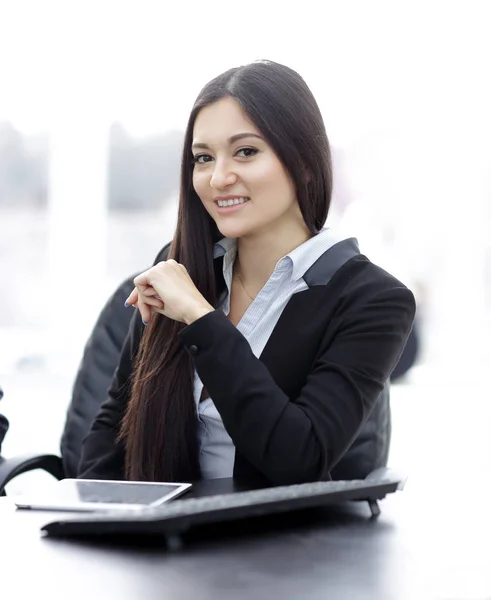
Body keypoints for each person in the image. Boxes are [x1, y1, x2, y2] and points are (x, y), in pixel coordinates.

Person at [78, 60, 416, 485]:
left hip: (279, 545)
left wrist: (202, 320)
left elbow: (300, 457)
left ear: (304, 162)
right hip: (164, 541)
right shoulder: (182, 265)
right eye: (203, 158)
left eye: (246, 151)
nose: (219, 178)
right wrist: (91, 518)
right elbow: (114, 425)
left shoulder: (374, 300)